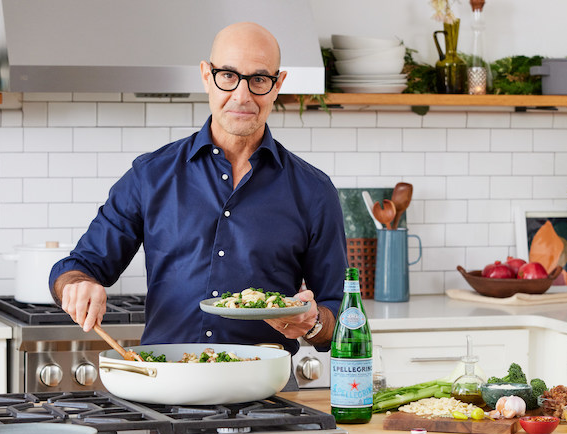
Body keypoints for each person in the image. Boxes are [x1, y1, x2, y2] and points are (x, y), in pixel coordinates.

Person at [49, 22, 348, 356]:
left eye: (259, 80)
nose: (242, 95)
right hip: (167, 382)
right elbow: (79, 266)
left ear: (278, 85)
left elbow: (340, 317)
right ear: (206, 76)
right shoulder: (151, 176)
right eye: (228, 76)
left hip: (266, 389)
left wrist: (314, 323)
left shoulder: (314, 191)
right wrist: (78, 286)